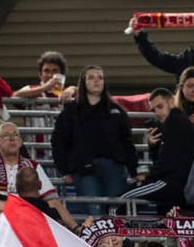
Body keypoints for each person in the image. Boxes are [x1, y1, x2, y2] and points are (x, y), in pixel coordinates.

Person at [52, 66, 139, 204]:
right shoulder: (71, 111)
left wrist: (134, 171)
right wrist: (64, 171)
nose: (96, 81)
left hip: (114, 167)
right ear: (83, 82)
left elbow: (127, 142)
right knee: (94, 210)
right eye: (91, 78)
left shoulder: (116, 111)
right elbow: (59, 142)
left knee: (114, 210)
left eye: (100, 77)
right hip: (84, 168)